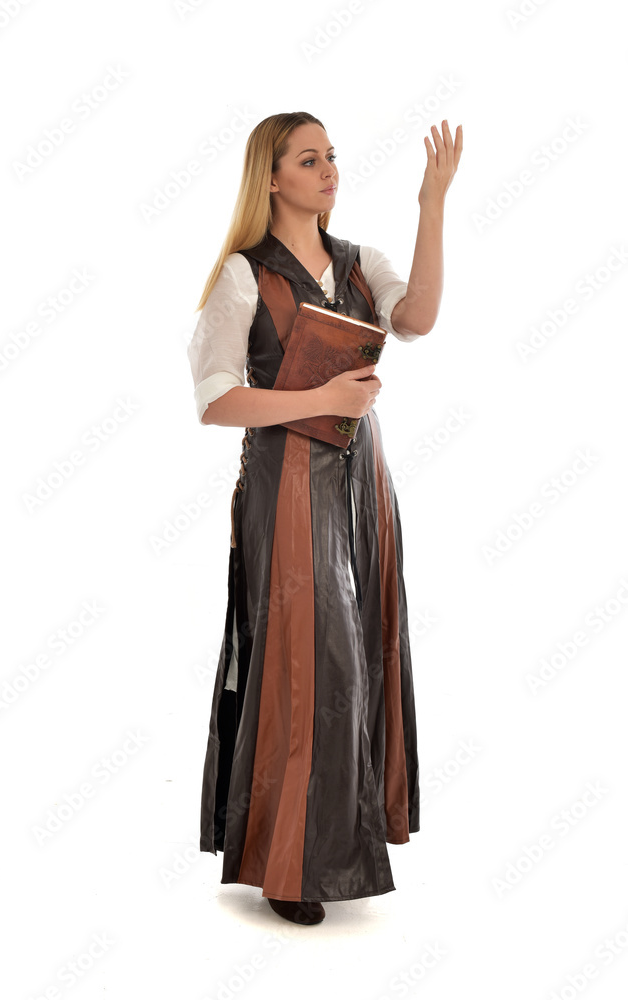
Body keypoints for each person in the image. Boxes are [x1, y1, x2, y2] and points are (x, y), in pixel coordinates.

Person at [188, 111, 462, 925]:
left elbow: (415, 319)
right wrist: (319, 400)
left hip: (360, 479)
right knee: (309, 664)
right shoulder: (242, 276)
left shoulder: (357, 262)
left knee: (366, 646)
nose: (328, 169)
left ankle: (348, 834)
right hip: (288, 482)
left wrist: (433, 204)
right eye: (309, 160)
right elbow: (215, 402)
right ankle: (286, 861)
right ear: (271, 179)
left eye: (332, 156)